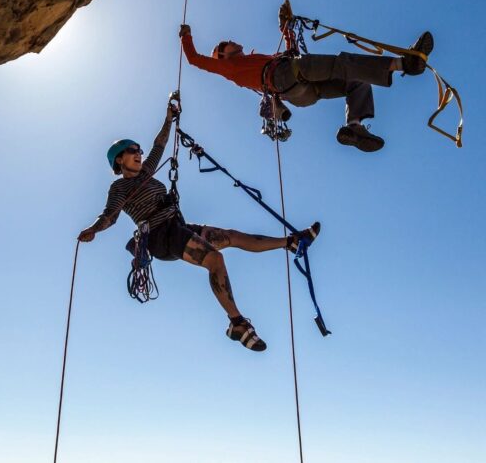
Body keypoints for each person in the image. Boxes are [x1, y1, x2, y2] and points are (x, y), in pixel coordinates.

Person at [78, 98, 319, 352]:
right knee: (215, 260)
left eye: (139, 150)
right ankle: (237, 323)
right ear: (119, 160)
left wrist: (169, 117)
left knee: (231, 236)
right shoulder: (119, 187)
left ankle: (291, 243)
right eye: (132, 151)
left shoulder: (147, 171)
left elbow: (159, 144)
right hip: (161, 236)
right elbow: (109, 215)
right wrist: (94, 229)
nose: (139, 154)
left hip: (178, 226)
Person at [178, 18, 434, 152]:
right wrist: (186, 36)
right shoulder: (229, 67)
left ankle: (353, 127)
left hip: (298, 93)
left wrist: (285, 27)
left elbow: (292, 50)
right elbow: (194, 60)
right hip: (286, 75)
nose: (231, 41)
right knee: (343, 64)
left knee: (356, 80)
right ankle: (404, 65)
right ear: (223, 55)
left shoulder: (252, 61)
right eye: (226, 44)